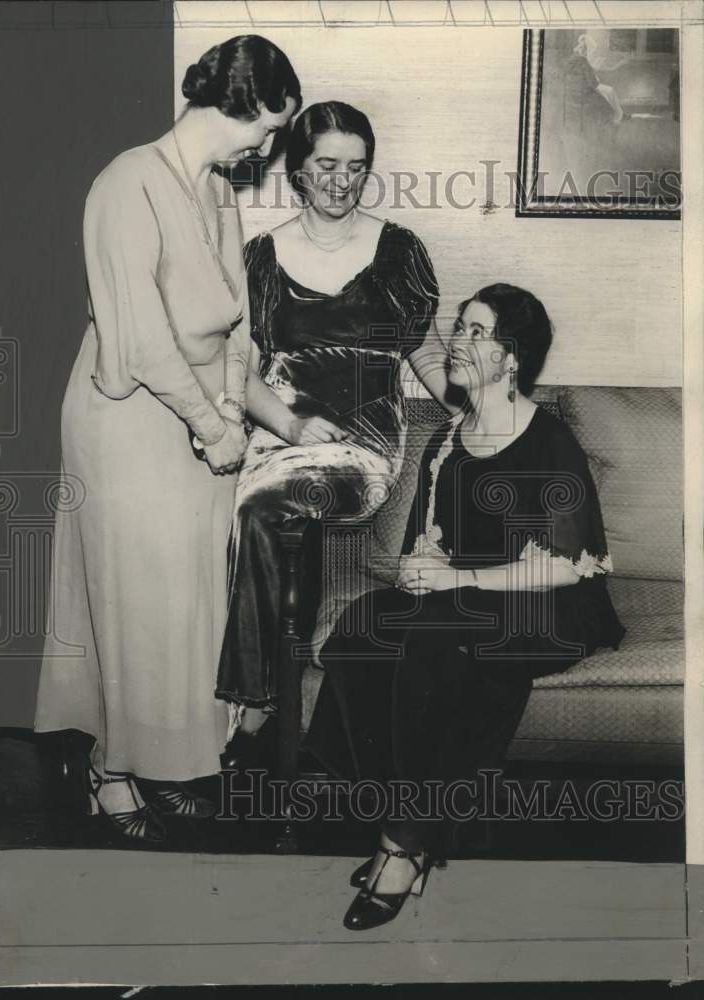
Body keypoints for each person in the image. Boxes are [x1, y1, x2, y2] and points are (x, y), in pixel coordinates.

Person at [35, 35, 301, 844]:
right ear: (240, 105)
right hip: (127, 421)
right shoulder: (126, 183)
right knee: (131, 601)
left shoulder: (220, 191)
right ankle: (112, 771)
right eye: (269, 128)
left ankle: (165, 758)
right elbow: (143, 339)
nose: (268, 146)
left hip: (201, 421)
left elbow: (237, 327)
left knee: (188, 603)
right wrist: (214, 424)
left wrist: (232, 410)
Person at [304, 283, 626, 930]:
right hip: (469, 595)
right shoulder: (448, 438)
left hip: (548, 603)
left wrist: (451, 582)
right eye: (460, 327)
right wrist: (421, 564)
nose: (457, 340)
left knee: (434, 642)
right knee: (360, 627)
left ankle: (403, 846)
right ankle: (397, 810)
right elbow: (431, 542)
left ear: (512, 358)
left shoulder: (548, 440)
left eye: (476, 332)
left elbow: (569, 564)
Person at [214, 101, 457, 756]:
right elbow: (240, 369)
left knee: (271, 508)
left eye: (357, 167)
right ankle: (241, 700)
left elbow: (427, 352)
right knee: (255, 509)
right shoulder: (260, 258)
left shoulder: (399, 251)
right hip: (283, 429)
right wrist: (291, 427)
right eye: (327, 164)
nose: (342, 180)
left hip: (362, 439)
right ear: (298, 168)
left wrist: (471, 406)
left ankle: (257, 703)